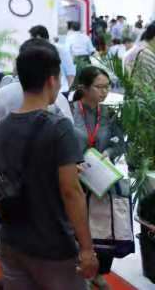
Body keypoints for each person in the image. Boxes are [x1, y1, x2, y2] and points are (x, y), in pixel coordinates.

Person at [0, 39, 98, 289]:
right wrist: (87, 249)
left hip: (10, 241)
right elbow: (71, 192)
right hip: (53, 245)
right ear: (51, 80)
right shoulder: (59, 127)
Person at [70, 66, 124, 289]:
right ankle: (76, 270)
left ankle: (100, 272)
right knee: (76, 224)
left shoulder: (109, 114)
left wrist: (109, 152)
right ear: (83, 88)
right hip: (75, 177)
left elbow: (120, 143)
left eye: (107, 87)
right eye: (99, 87)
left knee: (102, 226)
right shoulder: (69, 111)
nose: (104, 92)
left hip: (101, 179)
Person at [29, 25, 76, 94]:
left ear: (39, 37)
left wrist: (66, 91)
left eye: (32, 40)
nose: (32, 44)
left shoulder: (60, 50)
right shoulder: (35, 53)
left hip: (60, 92)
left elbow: (71, 73)